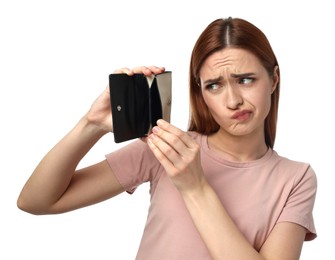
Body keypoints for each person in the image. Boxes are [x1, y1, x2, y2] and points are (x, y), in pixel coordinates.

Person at [17, 17, 317, 259]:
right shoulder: (167, 148)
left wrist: (195, 186)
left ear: (274, 79)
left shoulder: (295, 178)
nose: (233, 100)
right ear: (200, 92)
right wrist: (91, 124)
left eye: (246, 80)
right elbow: (36, 201)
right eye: (214, 85)